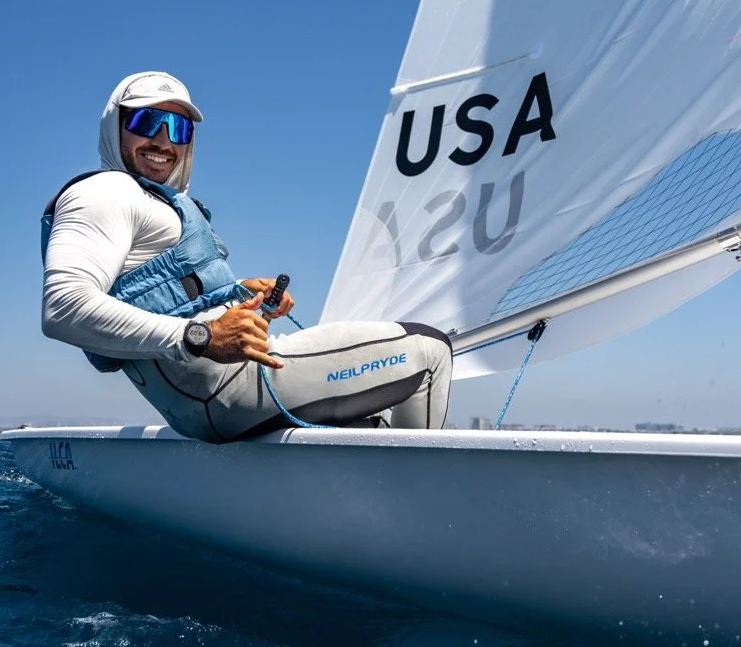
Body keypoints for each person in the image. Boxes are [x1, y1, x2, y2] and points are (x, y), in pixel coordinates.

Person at [41, 71, 452, 441]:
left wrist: (239, 293)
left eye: (178, 128)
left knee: (373, 421)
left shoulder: (151, 201)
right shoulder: (105, 192)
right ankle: (431, 514)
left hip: (200, 399)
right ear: (114, 126)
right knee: (429, 349)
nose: (164, 141)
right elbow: (63, 307)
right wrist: (201, 337)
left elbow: (163, 292)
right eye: (146, 122)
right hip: (221, 385)